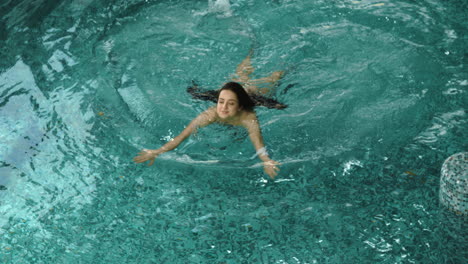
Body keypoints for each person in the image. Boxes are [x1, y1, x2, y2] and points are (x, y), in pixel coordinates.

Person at [133, 53, 284, 179]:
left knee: (272, 80)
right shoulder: (210, 115)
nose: (223, 108)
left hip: (253, 95)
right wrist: (157, 152)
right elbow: (181, 137)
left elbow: (259, 144)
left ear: (239, 106)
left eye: (230, 104)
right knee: (240, 75)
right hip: (234, 91)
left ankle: (284, 64)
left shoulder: (248, 117)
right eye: (221, 102)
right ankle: (251, 51)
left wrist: (266, 160)